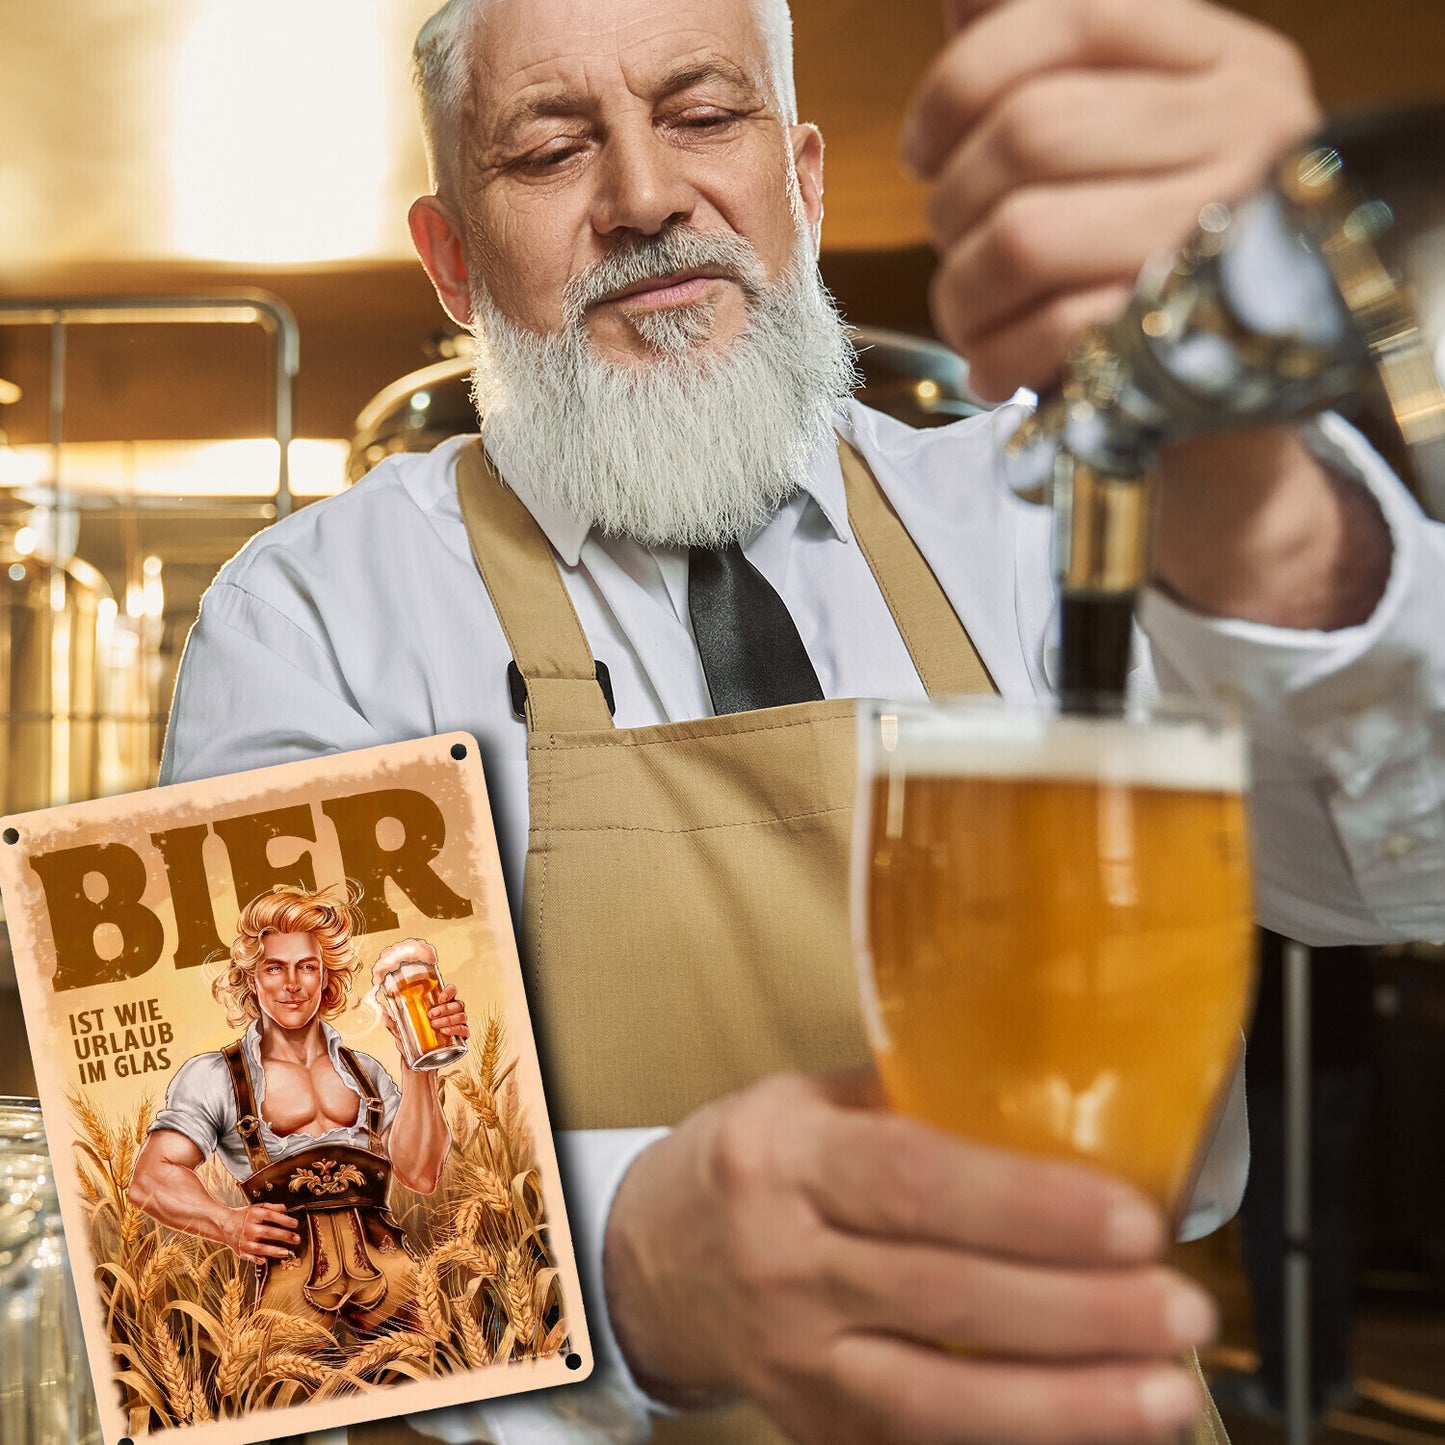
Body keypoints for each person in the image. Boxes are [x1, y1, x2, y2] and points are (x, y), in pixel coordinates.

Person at [160, 0, 1445, 1440]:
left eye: (706, 116)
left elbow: (1401, 870)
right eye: (549, 151)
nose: (647, 197)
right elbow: (212, 1253)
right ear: (453, 261)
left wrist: (1256, 496)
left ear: (810, 183)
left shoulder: (1050, 518)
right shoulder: (314, 615)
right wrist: (630, 1266)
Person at [130, 886, 470, 1333]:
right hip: (287, 1296)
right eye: (275, 968)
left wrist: (417, 1065)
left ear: (325, 978)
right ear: (253, 979)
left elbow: (421, 1173)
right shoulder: (217, 1075)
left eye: (307, 967)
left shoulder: (366, 1072)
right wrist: (226, 1222)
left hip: (397, 1288)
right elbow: (150, 1176)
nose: (292, 984)